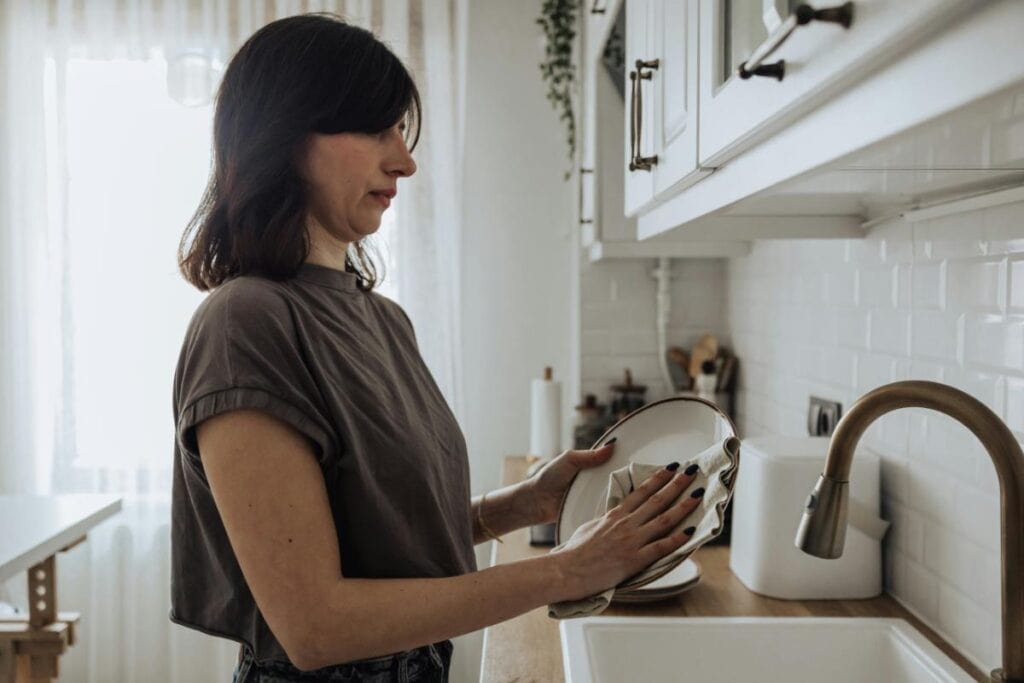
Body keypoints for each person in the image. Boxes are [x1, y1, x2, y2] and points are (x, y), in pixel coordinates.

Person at [170, 13, 704, 683]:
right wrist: (567, 569)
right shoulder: (243, 323)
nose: (405, 159)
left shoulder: (382, 318)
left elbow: (383, 540)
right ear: (284, 136)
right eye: (375, 130)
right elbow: (313, 624)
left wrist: (523, 504)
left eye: (401, 130)